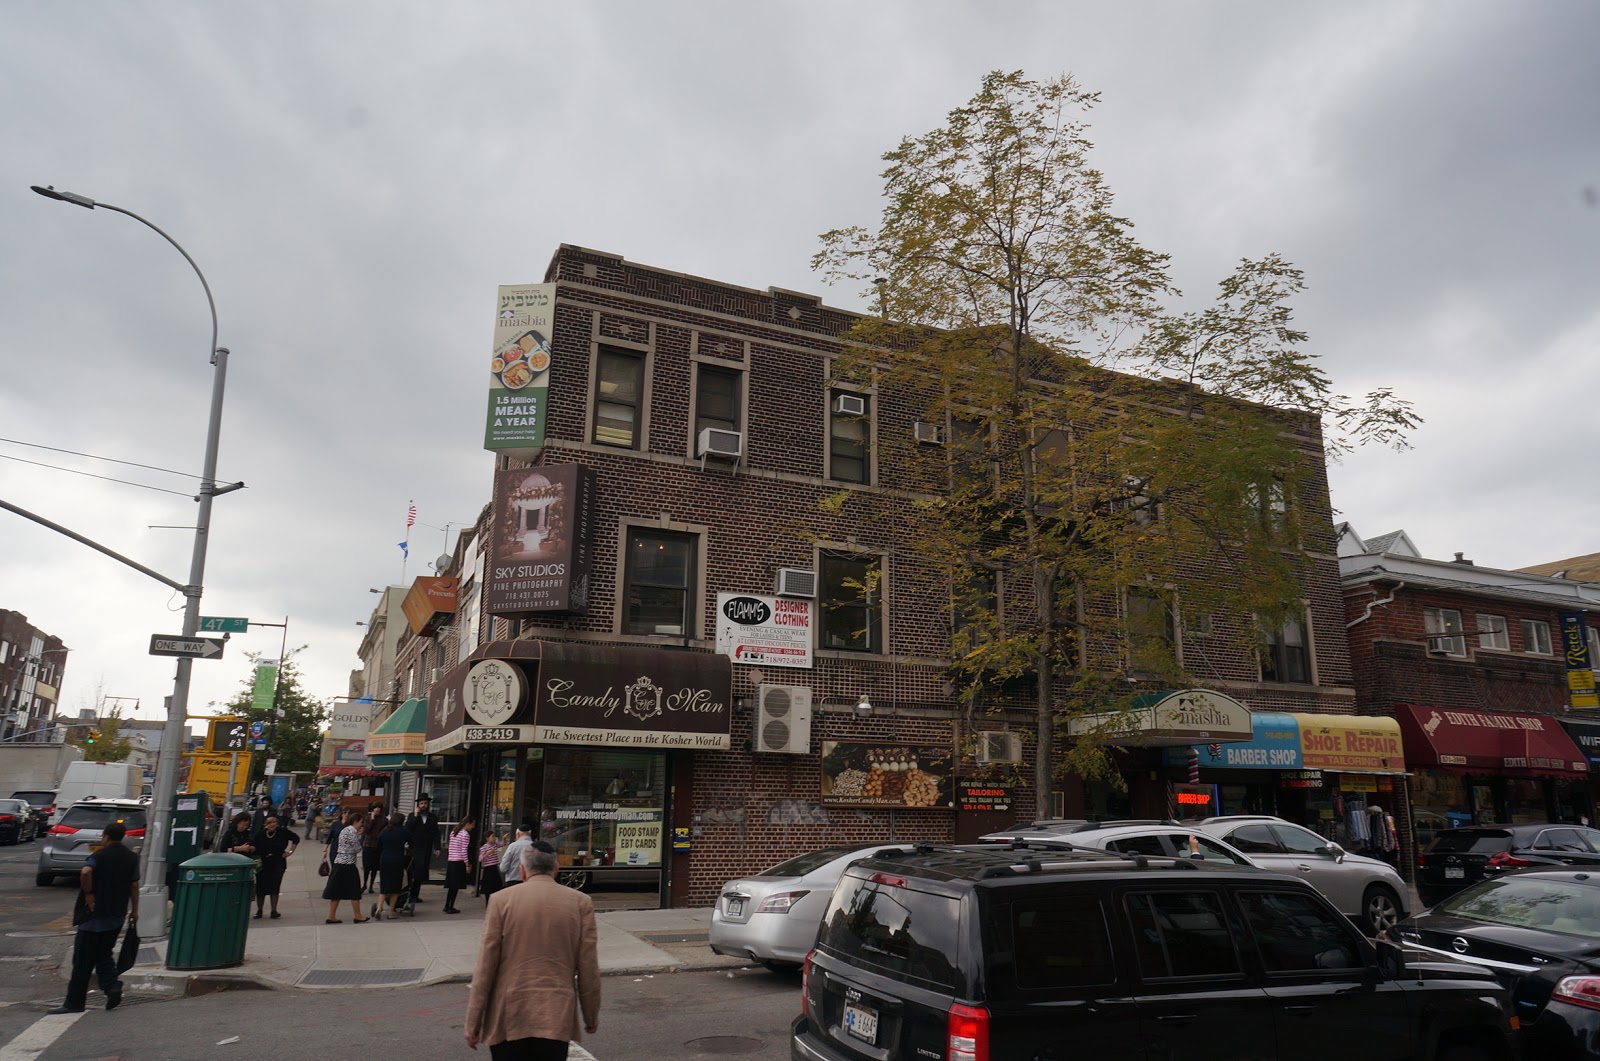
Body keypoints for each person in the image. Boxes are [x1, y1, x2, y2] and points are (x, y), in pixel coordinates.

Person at [465, 842, 600, 1058]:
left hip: (509, 1013)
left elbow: (485, 966)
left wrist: (473, 1022)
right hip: (556, 1013)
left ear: (522, 870)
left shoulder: (501, 900)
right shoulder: (580, 902)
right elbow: (588, 967)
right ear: (556, 868)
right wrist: (591, 1015)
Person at [50, 821, 139, 1014]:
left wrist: (89, 893)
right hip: (116, 916)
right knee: (104, 955)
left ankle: (74, 1003)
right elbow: (134, 885)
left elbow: (86, 872)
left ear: (105, 836)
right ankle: (112, 986)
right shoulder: (132, 858)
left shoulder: (99, 855)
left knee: (82, 962)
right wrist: (135, 911)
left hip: (93, 918)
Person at [321, 809, 369, 923]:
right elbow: (357, 848)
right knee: (355, 890)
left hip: (339, 863)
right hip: (348, 864)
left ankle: (331, 916)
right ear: (356, 821)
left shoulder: (345, 830)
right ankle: (358, 915)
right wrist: (359, 836)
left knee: (336, 891)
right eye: (361, 822)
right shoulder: (352, 832)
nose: (362, 824)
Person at [251, 814, 299, 920]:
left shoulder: (283, 832)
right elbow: (253, 845)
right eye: (270, 823)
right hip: (263, 863)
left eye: (275, 822)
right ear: (265, 825)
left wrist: (290, 852)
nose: (273, 824)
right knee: (261, 888)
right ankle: (259, 910)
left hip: (278, 862)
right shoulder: (260, 834)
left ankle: (274, 910)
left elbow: (296, 838)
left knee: (275, 885)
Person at [405, 794, 441, 907]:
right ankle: (408, 895)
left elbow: (436, 833)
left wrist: (437, 847)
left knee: (421, 872)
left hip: (426, 848)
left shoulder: (432, 817)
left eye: (425, 803)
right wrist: (415, 815)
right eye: (421, 804)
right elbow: (408, 828)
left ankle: (415, 895)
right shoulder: (412, 815)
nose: (423, 805)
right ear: (418, 805)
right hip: (414, 848)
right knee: (412, 871)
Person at [373, 812, 411, 920]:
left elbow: (378, 845)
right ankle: (391, 911)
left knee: (384, 886)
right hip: (398, 860)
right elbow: (412, 843)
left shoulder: (385, 830)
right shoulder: (404, 831)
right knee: (396, 887)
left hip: (385, 859)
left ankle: (379, 908)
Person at [443, 814, 477, 914]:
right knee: (456, 885)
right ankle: (450, 906)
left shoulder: (454, 832)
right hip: (459, 862)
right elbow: (464, 851)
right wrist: (467, 864)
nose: (473, 827)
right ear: (468, 824)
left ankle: (447, 905)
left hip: (452, 861)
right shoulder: (465, 835)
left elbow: (450, 847)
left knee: (451, 886)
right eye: (472, 824)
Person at [361, 803, 386, 894]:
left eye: (379, 808)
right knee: (367, 867)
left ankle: (371, 885)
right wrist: (372, 820)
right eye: (375, 808)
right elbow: (366, 831)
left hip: (378, 846)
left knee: (375, 867)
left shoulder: (384, 819)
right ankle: (364, 884)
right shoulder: (367, 818)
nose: (377, 809)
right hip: (368, 845)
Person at [478, 829, 508, 904]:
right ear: (487, 838)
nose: (494, 838)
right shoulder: (484, 847)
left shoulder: (495, 845)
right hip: (488, 868)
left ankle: (496, 901)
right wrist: (488, 853)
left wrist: (504, 838)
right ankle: (487, 902)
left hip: (494, 867)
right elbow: (480, 859)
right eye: (492, 836)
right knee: (488, 886)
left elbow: (502, 844)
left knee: (497, 885)